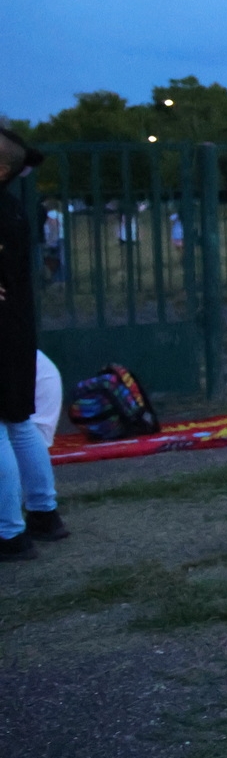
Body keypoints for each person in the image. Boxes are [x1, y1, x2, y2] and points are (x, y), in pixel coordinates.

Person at [2, 129, 66, 561]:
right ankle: (44, 514)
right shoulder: (13, 208)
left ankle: (9, 534)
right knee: (19, 422)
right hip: (16, 329)